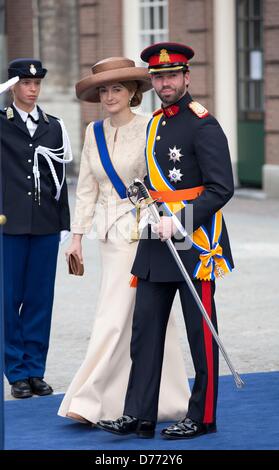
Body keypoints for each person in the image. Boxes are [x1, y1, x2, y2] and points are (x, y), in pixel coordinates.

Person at [97, 42, 234, 439]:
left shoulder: (203, 123)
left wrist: (180, 221)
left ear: (186, 77)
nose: (165, 82)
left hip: (196, 243)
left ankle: (203, 417)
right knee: (145, 331)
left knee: (200, 335)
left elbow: (221, 187)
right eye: (158, 76)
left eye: (172, 75)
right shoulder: (156, 122)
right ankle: (137, 415)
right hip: (156, 238)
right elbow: (161, 183)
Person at [58, 57, 190, 425]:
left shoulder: (152, 127)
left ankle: (90, 401)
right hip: (109, 239)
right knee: (123, 315)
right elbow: (85, 188)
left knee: (122, 318)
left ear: (133, 92)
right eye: (103, 89)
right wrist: (76, 237)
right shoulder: (92, 132)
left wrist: (171, 221)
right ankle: (154, 400)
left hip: (145, 234)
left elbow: (167, 183)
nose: (109, 95)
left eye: (117, 88)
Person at [0, 58, 72, 399]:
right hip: (8, 224)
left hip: (44, 224)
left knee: (39, 300)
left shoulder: (53, 126)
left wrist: (64, 224)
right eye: (26, 83)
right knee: (7, 301)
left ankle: (35, 370)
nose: (32, 89)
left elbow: (58, 179)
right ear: (13, 86)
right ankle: (15, 372)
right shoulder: (1, 123)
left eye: (37, 84)